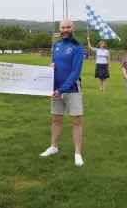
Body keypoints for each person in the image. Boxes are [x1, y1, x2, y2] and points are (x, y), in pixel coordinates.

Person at [40, 19, 85, 167]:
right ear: (59, 29)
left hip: (71, 90)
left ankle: (77, 153)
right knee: (56, 120)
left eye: (68, 27)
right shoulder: (57, 45)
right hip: (56, 90)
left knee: (76, 122)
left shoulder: (78, 47)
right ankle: (53, 147)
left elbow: (75, 72)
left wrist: (62, 89)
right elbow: (55, 64)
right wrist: (51, 67)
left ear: (73, 28)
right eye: (63, 27)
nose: (65, 29)